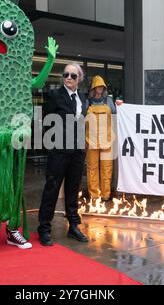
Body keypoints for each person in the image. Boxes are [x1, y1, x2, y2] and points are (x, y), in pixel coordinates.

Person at [38, 63, 88, 246]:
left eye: (73, 76)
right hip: (58, 151)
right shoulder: (54, 95)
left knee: (73, 190)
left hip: (77, 152)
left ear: (79, 79)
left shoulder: (83, 97)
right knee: (52, 188)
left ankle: (73, 226)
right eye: (66, 74)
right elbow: (46, 122)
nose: (68, 78)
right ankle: (44, 228)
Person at [85, 75, 119, 201]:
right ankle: (94, 195)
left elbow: (117, 114)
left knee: (107, 168)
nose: (99, 88)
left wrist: (120, 104)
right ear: (93, 88)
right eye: (97, 86)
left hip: (107, 140)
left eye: (101, 86)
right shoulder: (87, 102)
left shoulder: (109, 101)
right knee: (92, 168)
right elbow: (80, 119)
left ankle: (106, 194)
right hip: (91, 141)